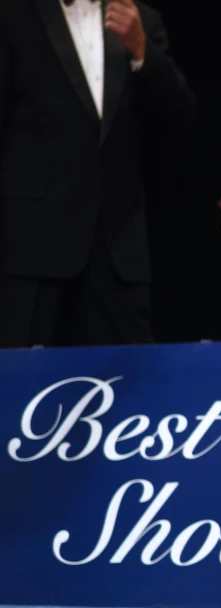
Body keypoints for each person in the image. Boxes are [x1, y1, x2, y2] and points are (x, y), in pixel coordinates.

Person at [0, 0, 195, 349]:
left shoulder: (141, 20)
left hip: (118, 251)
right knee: (19, 387)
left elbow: (180, 122)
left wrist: (142, 53)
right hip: (31, 248)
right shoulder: (14, 13)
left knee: (131, 389)